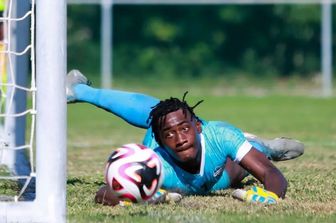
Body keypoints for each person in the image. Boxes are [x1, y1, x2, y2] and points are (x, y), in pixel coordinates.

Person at [66, 70, 304, 206]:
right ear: (158, 141)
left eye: (185, 129)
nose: (179, 138)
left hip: (218, 167)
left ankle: (262, 146)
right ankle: (78, 91)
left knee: (246, 164)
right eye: (169, 135)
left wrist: (271, 196)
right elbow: (106, 191)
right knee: (160, 114)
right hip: (197, 167)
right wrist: (136, 194)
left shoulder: (219, 135)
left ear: (198, 126)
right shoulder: (154, 161)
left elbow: (270, 174)